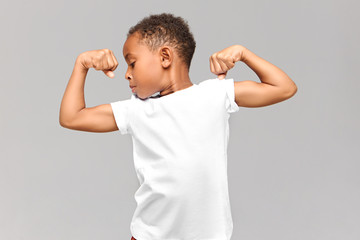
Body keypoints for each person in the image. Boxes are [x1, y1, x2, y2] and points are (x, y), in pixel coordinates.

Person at [59, 12, 297, 240]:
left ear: (164, 57)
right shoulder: (136, 110)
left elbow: (284, 88)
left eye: (132, 64)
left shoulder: (215, 94)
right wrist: (82, 64)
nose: (127, 75)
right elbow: (72, 117)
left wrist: (243, 53)